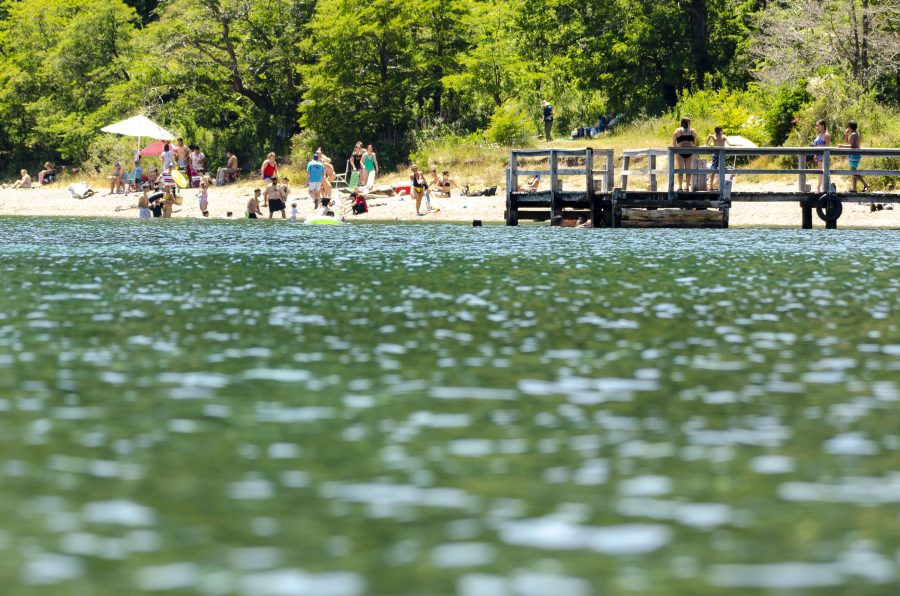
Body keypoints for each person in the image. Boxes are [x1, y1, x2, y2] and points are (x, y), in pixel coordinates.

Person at [838, 120, 869, 193]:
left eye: (848, 127)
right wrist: (846, 134)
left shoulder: (854, 134)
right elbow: (848, 142)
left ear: (850, 127)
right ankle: (854, 188)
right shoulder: (854, 134)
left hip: (855, 155)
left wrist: (841, 146)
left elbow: (852, 146)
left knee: (853, 171)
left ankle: (866, 184)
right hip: (853, 154)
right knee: (853, 170)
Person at [672, 117, 698, 192]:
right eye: (687, 122)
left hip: (688, 152)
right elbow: (673, 143)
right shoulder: (678, 130)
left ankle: (686, 187)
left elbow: (695, 142)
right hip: (681, 153)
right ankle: (680, 187)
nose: (687, 124)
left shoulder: (692, 131)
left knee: (687, 170)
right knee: (681, 170)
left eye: (688, 122)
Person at [705, 126, 731, 190]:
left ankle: (713, 186)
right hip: (719, 155)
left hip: (717, 155)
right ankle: (714, 186)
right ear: (721, 131)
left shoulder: (716, 137)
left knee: (715, 170)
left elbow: (709, 137)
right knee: (718, 170)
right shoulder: (722, 137)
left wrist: (706, 143)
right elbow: (730, 144)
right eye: (722, 130)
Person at [812, 119, 831, 193]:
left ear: (823, 126)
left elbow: (827, 146)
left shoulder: (826, 135)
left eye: (818, 125)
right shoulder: (819, 135)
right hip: (818, 155)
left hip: (823, 155)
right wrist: (815, 154)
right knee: (820, 172)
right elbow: (815, 145)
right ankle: (819, 187)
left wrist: (819, 147)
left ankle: (821, 187)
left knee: (823, 171)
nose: (817, 127)